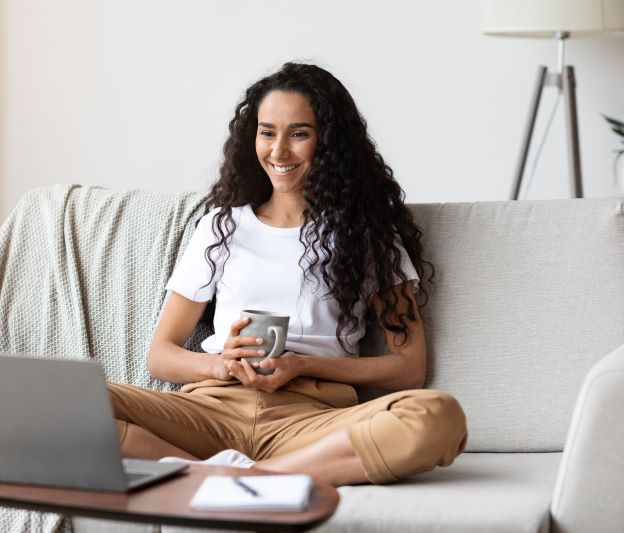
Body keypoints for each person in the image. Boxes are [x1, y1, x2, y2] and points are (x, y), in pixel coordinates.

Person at [107, 62, 467, 486]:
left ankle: (240, 478)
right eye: (267, 132)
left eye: (299, 134)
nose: (278, 152)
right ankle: (242, 477)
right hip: (212, 411)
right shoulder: (221, 227)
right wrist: (222, 365)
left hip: (308, 421)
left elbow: (409, 369)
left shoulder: (370, 237)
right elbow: (161, 356)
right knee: (71, 402)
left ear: (329, 144)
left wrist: (299, 365)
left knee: (437, 417)